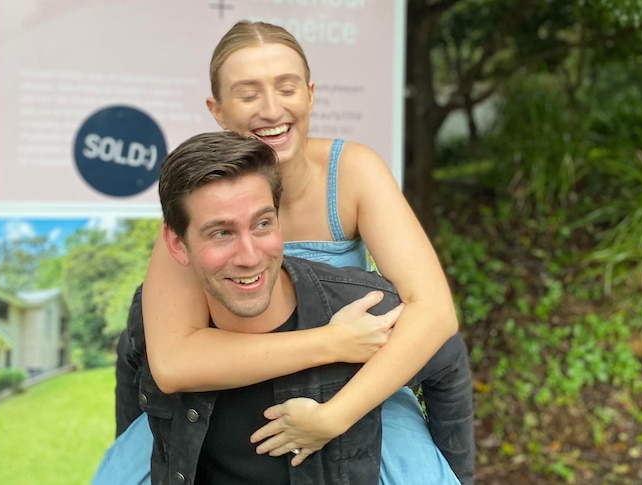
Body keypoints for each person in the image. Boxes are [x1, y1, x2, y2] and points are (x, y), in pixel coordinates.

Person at [94, 20, 475, 485]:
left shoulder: (352, 172)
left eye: (286, 87)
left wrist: (334, 416)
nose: (272, 109)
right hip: (226, 394)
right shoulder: (199, 199)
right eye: (249, 94)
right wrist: (328, 342)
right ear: (217, 109)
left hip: (350, 389)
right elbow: (173, 363)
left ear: (310, 94)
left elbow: (433, 313)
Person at [117, 130, 466, 484]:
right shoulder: (155, 320)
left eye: (262, 224)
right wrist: (330, 343)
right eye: (221, 233)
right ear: (177, 245)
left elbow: (446, 355)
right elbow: (135, 381)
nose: (249, 257)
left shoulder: (361, 313)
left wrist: (456, 474)